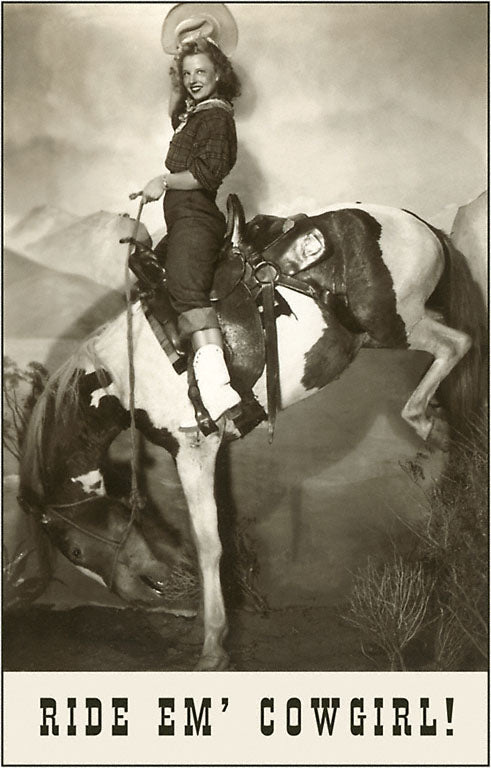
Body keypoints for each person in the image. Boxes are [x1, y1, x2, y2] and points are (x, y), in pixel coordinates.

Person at [140, 37, 241, 425]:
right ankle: (192, 384)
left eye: (202, 71)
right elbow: (175, 112)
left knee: (185, 288)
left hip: (197, 218)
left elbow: (204, 174)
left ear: (219, 74)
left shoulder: (216, 118)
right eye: (187, 74)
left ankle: (220, 392)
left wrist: (163, 181)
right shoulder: (196, 116)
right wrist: (178, 64)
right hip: (184, 219)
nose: (193, 80)